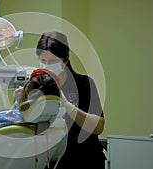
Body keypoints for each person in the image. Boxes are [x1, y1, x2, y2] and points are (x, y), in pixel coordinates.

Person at [35, 31, 106, 169]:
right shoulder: (38, 86)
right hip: (53, 162)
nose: (47, 65)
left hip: (85, 160)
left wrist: (67, 105)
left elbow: (98, 127)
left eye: (53, 61)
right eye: (43, 61)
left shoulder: (84, 84)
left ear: (65, 60)